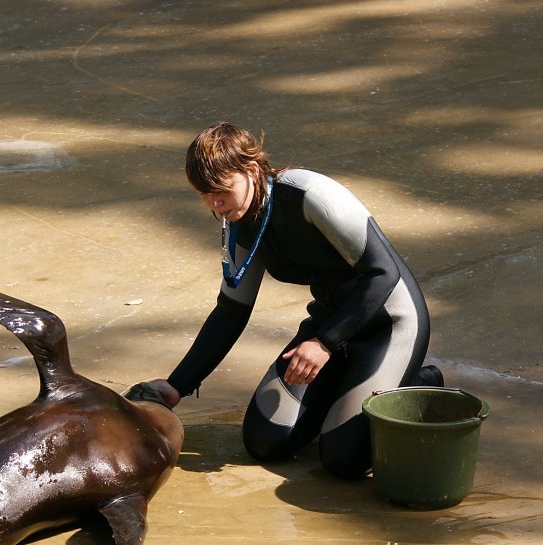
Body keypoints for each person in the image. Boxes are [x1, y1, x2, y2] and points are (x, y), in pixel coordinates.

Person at [145, 122, 442, 478]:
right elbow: (231, 311)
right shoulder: (238, 222)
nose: (214, 204)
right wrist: (177, 384)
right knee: (265, 441)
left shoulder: (309, 194)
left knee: (343, 458)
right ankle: (345, 395)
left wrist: (324, 343)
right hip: (330, 326)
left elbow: (382, 274)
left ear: (252, 171)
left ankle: (418, 382)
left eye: (221, 191)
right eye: (204, 195)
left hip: (388, 324)